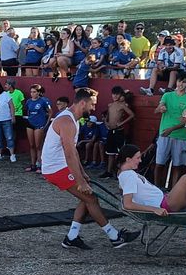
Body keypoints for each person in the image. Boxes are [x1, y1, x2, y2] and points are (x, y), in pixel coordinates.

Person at [41, 88, 139, 250]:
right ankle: (114, 237)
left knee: (86, 198)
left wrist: (82, 173)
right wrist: (79, 181)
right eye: (92, 105)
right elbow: (70, 154)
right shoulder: (67, 121)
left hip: (61, 165)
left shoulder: (73, 119)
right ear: (82, 103)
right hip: (56, 167)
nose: (93, 108)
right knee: (91, 198)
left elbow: (73, 152)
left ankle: (72, 237)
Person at [153, 72, 186, 189]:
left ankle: (173, 190)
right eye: (179, 81)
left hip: (180, 135)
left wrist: (171, 129)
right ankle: (157, 189)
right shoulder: (167, 95)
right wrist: (161, 108)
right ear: (176, 82)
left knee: (178, 166)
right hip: (165, 134)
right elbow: (157, 109)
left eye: (184, 82)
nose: (181, 84)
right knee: (159, 163)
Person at [99, 86, 135, 179]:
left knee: (120, 152)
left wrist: (121, 123)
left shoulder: (122, 105)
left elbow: (132, 115)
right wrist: (106, 121)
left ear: (120, 95)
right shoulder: (110, 105)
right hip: (111, 130)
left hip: (119, 131)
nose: (114, 96)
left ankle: (119, 172)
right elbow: (108, 116)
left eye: (117, 94)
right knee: (110, 152)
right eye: (113, 94)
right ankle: (109, 171)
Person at [23, 84, 52, 173]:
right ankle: (33, 164)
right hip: (30, 124)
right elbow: (27, 111)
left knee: (38, 146)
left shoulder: (43, 101)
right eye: (31, 92)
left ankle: (40, 164)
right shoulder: (29, 101)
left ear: (39, 93)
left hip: (39, 124)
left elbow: (50, 112)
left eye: (34, 92)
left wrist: (46, 124)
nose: (32, 94)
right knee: (31, 145)